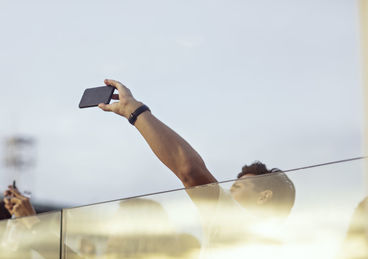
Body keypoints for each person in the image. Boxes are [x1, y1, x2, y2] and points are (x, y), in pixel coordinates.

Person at [98, 79, 296, 254]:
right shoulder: (290, 246)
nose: (226, 190)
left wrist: (132, 109)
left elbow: (189, 171)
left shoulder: (236, 221)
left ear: (264, 196)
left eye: (237, 187)